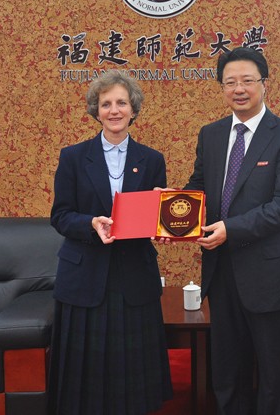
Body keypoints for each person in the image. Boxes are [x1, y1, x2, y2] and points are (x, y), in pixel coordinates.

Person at [184, 47, 280, 415]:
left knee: (272, 371)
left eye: (247, 81)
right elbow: (199, 188)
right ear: (222, 88)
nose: (239, 89)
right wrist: (172, 209)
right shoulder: (210, 134)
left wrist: (231, 229)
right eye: (230, 82)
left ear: (264, 84)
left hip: (269, 273)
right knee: (227, 368)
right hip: (221, 271)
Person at [48, 70, 172, 415]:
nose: (114, 110)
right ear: (96, 110)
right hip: (84, 275)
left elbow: (153, 220)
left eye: (121, 103)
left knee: (134, 377)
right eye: (106, 104)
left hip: (134, 276)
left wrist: (162, 220)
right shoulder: (73, 157)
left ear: (133, 109)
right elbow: (60, 216)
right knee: (84, 382)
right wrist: (90, 224)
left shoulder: (152, 159)